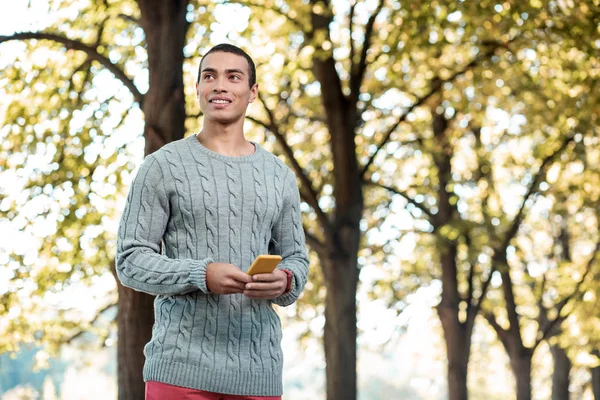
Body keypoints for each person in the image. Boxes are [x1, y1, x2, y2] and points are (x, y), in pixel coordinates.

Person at [116, 43, 310, 400]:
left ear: (251, 92)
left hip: (258, 373)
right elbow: (130, 261)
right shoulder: (162, 166)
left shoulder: (279, 176)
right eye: (210, 76)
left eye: (233, 77)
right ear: (198, 89)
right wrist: (200, 274)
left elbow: (297, 261)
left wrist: (283, 280)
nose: (220, 85)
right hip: (179, 370)